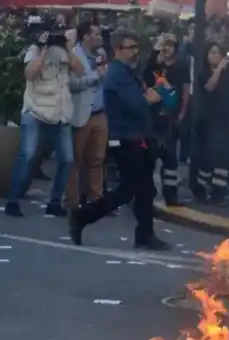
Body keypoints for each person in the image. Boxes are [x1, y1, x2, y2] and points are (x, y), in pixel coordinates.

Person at [69, 29, 170, 251]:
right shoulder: (117, 74)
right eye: (130, 48)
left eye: (137, 47)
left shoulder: (127, 72)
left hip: (139, 136)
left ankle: (145, 234)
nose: (135, 52)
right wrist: (150, 97)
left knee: (144, 189)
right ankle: (82, 216)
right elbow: (135, 105)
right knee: (129, 190)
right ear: (117, 50)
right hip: (126, 139)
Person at [5, 24, 83, 217]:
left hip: (61, 112)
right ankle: (13, 200)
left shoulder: (65, 52)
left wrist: (68, 48)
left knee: (67, 158)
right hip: (35, 111)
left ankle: (55, 201)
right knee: (28, 155)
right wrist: (43, 50)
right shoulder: (33, 51)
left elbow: (80, 70)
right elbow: (30, 75)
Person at [143, 35, 191, 205]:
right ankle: (145, 193)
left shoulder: (181, 66)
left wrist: (182, 112)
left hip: (171, 118)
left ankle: (171, 195)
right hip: (152, 117)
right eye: (165, 45)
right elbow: (145, 80)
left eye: (171, 45)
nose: (167, 49)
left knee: (170, 159)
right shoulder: (154, 64)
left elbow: (185, 90)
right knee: (149, 157)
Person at [66, 21, 108, 210]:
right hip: (81, 113)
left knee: (97, 159)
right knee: (76, 158)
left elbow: (105, 78)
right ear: (86, 37)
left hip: (100, 113)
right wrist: (95, 76)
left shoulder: (102, 55)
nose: (100, 37)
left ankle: (96, 199)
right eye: (97, 34)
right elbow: (72, 84)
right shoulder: (73, 55)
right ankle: (72, 201)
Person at [190, 43, 229, 204]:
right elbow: (209, 87)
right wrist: (219, 69)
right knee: (208, 159)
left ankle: (219, 194)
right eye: (213, 53)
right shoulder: (203, 74)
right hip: (208, 122)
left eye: (219, 53)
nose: (216, 56)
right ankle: (200, 189)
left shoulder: (228, 75)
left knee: (223, 159)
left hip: (225, 120)